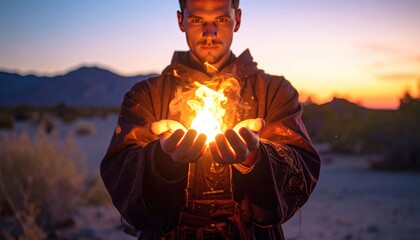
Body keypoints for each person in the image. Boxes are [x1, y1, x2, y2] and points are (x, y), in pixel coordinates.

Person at [100, 0, 321, 239]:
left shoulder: (275, 91)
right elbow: (120, 171)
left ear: (237, 20)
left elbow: (302, 169)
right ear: (180, 21)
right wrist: (161, 160)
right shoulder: (145, 95)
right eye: (197, 20)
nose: (210, 32)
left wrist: (254, 157)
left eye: (222, 19)